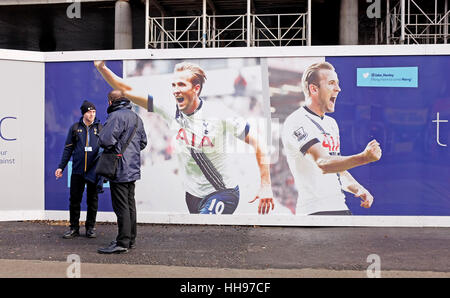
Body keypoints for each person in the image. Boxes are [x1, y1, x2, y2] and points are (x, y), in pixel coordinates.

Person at [94, 60, 274, 215]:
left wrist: (265, 185)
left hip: (222, 192)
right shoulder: (167, 108)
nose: (175, 90)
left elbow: (258, 142)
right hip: (192, 195)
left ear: (196, 88)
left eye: (181, 85)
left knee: (204, 233)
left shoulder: (219, 113)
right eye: (173, 85)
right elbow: (126, 89)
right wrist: (102, 68)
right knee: (203, 239)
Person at [281, 62, 382, 215]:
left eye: (338, 83)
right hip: (315, 212)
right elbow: (323, 163)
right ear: (313, 89)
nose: (338, 89)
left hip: (340, 207)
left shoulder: (331, 123)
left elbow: (337, 169)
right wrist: (364, 158)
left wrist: (358, 188)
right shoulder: (297, 121)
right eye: (331, 83)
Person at [97, 90, 147, 254]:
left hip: (118, 167)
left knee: (121, 206)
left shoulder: (116, 116)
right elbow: (143, 143)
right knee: (130, 203)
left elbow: (105, 140)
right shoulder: (137, 118)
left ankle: (122, 242)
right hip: (132, 167)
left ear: (110, 102)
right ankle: (130, 239)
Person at [55, 100, 102, 238]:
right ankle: (74, 228)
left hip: (94, 172)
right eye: (89, 112)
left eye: (93, 112)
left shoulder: (100, 128)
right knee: (75, 200)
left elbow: (106, 149)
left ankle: (90, 228)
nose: (92, 114)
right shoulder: (75, 128)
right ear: (83, 113)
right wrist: (61, 167)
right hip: (77, 171)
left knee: (92, 201)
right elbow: (68, 149)